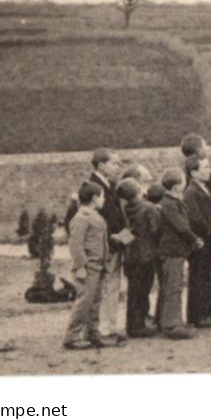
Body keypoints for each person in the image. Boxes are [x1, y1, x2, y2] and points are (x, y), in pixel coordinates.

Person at [80, 149, 133, 345]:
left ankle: (109, 325)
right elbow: (94, 218)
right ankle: (102, 328)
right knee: (105, 287)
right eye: (114, 163)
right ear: (101, 165)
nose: (118, 167)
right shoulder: (94, 187)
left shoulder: (108, 185)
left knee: (112, 286)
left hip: (114, 243)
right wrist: (112, 237)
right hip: (106, 245)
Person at [63, 181, 113, 350]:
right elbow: (75, 245)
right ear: (94, 198)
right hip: (88, 267)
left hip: (98, 266)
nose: (104, 199)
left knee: (95, 301)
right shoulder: (81, 217)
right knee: (84, 301)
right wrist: (81, 266)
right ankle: (71, 337)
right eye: (102, 196)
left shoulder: (94, 215)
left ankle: (92, 333)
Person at [153, 169, 199, 339]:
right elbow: (181, 226)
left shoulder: (169, 202)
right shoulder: (170, 204)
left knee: (170, 285)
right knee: (174, 286)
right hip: (173, 250)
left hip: (173, 250)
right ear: (177, 185)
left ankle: (165, 320)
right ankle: (172, 325)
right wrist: (195, 239)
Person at [180, 154, 211, 327]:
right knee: (198, 277)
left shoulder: (202, 188)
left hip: (208, 240)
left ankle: (205, 312)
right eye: (205, 167)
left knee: (205, 276)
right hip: (202, 242)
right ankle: (197, 316)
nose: (209, 170)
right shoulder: (191, 192)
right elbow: (195, 218)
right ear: (194, 173)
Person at [118, 177, 161, 338]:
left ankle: (133, 323)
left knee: (134, 291)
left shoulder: (125, 208)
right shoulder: (148, 207)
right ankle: (138, 326)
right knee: (143, 290)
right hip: (147, 254)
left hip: (131, 255)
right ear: (137, 190)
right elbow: (156, 229)